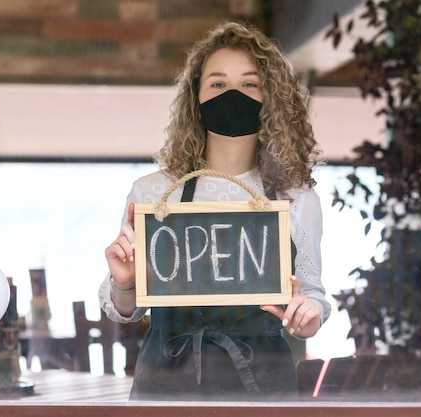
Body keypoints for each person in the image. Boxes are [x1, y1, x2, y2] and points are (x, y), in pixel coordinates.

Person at [100, 21, 331, 401]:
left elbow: (311, 296)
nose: (233, 94)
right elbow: (123, 311)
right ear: (197, 96)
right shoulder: (154, 192)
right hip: (165, 380)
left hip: (263, 386)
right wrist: (125, 283)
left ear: (271, 97)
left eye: (250, 84)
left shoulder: (297, 199)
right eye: (218, 84)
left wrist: (307, 317)